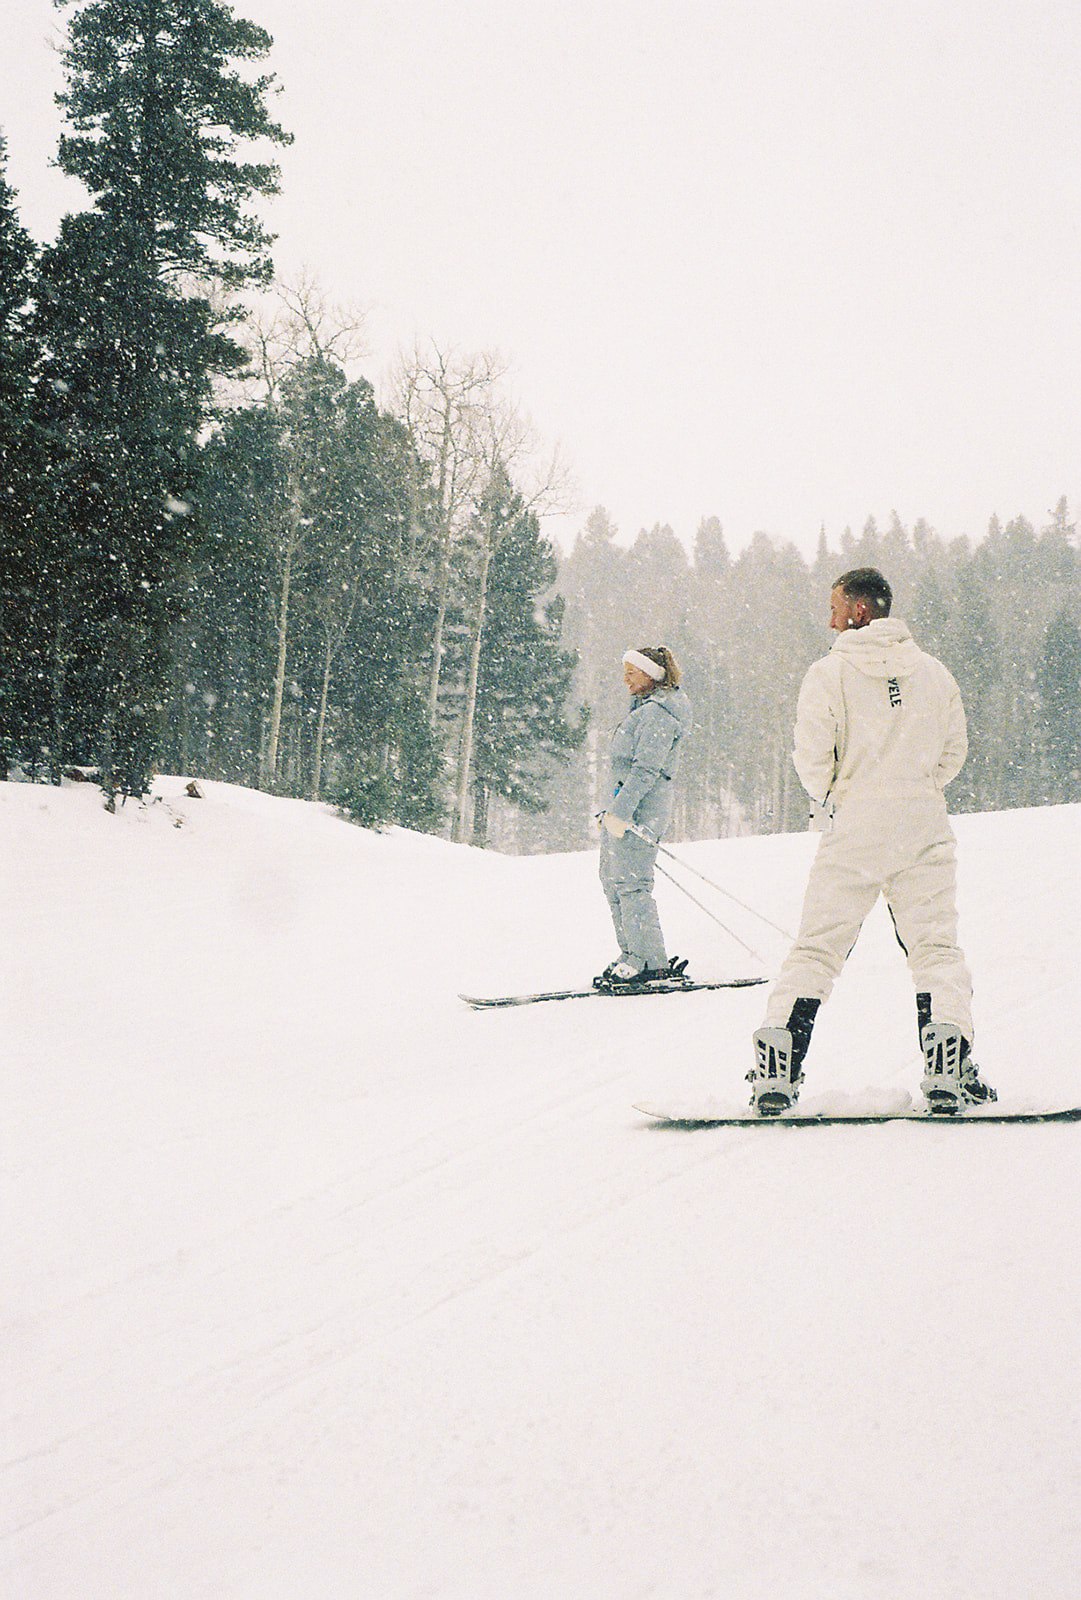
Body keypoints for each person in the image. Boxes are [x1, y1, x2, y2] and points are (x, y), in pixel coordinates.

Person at [749, 567, 996, 1116]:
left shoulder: (827, 674)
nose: (829, 618)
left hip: (854, 829)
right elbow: (953, 755)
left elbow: (813, 760)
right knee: (935, 948)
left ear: (860, 611)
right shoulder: (934, 674)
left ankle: (778, 1065)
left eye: (835, 607)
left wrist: (842, 792)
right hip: (921, 826)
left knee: (817, 948)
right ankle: (949, 1064)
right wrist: (914, 786)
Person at [595, 646, 692, 992]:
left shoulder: (660, 715)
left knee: (632, 884)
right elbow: (622, 770)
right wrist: (610, 810)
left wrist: (622, 812)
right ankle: (631, 953)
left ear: (652, 675)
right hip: (621, 811)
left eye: (632, 672)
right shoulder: (642, 711)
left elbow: (645, 771)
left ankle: (650, 960)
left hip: (641, 814)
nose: (625, 679)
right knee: (612, 881)